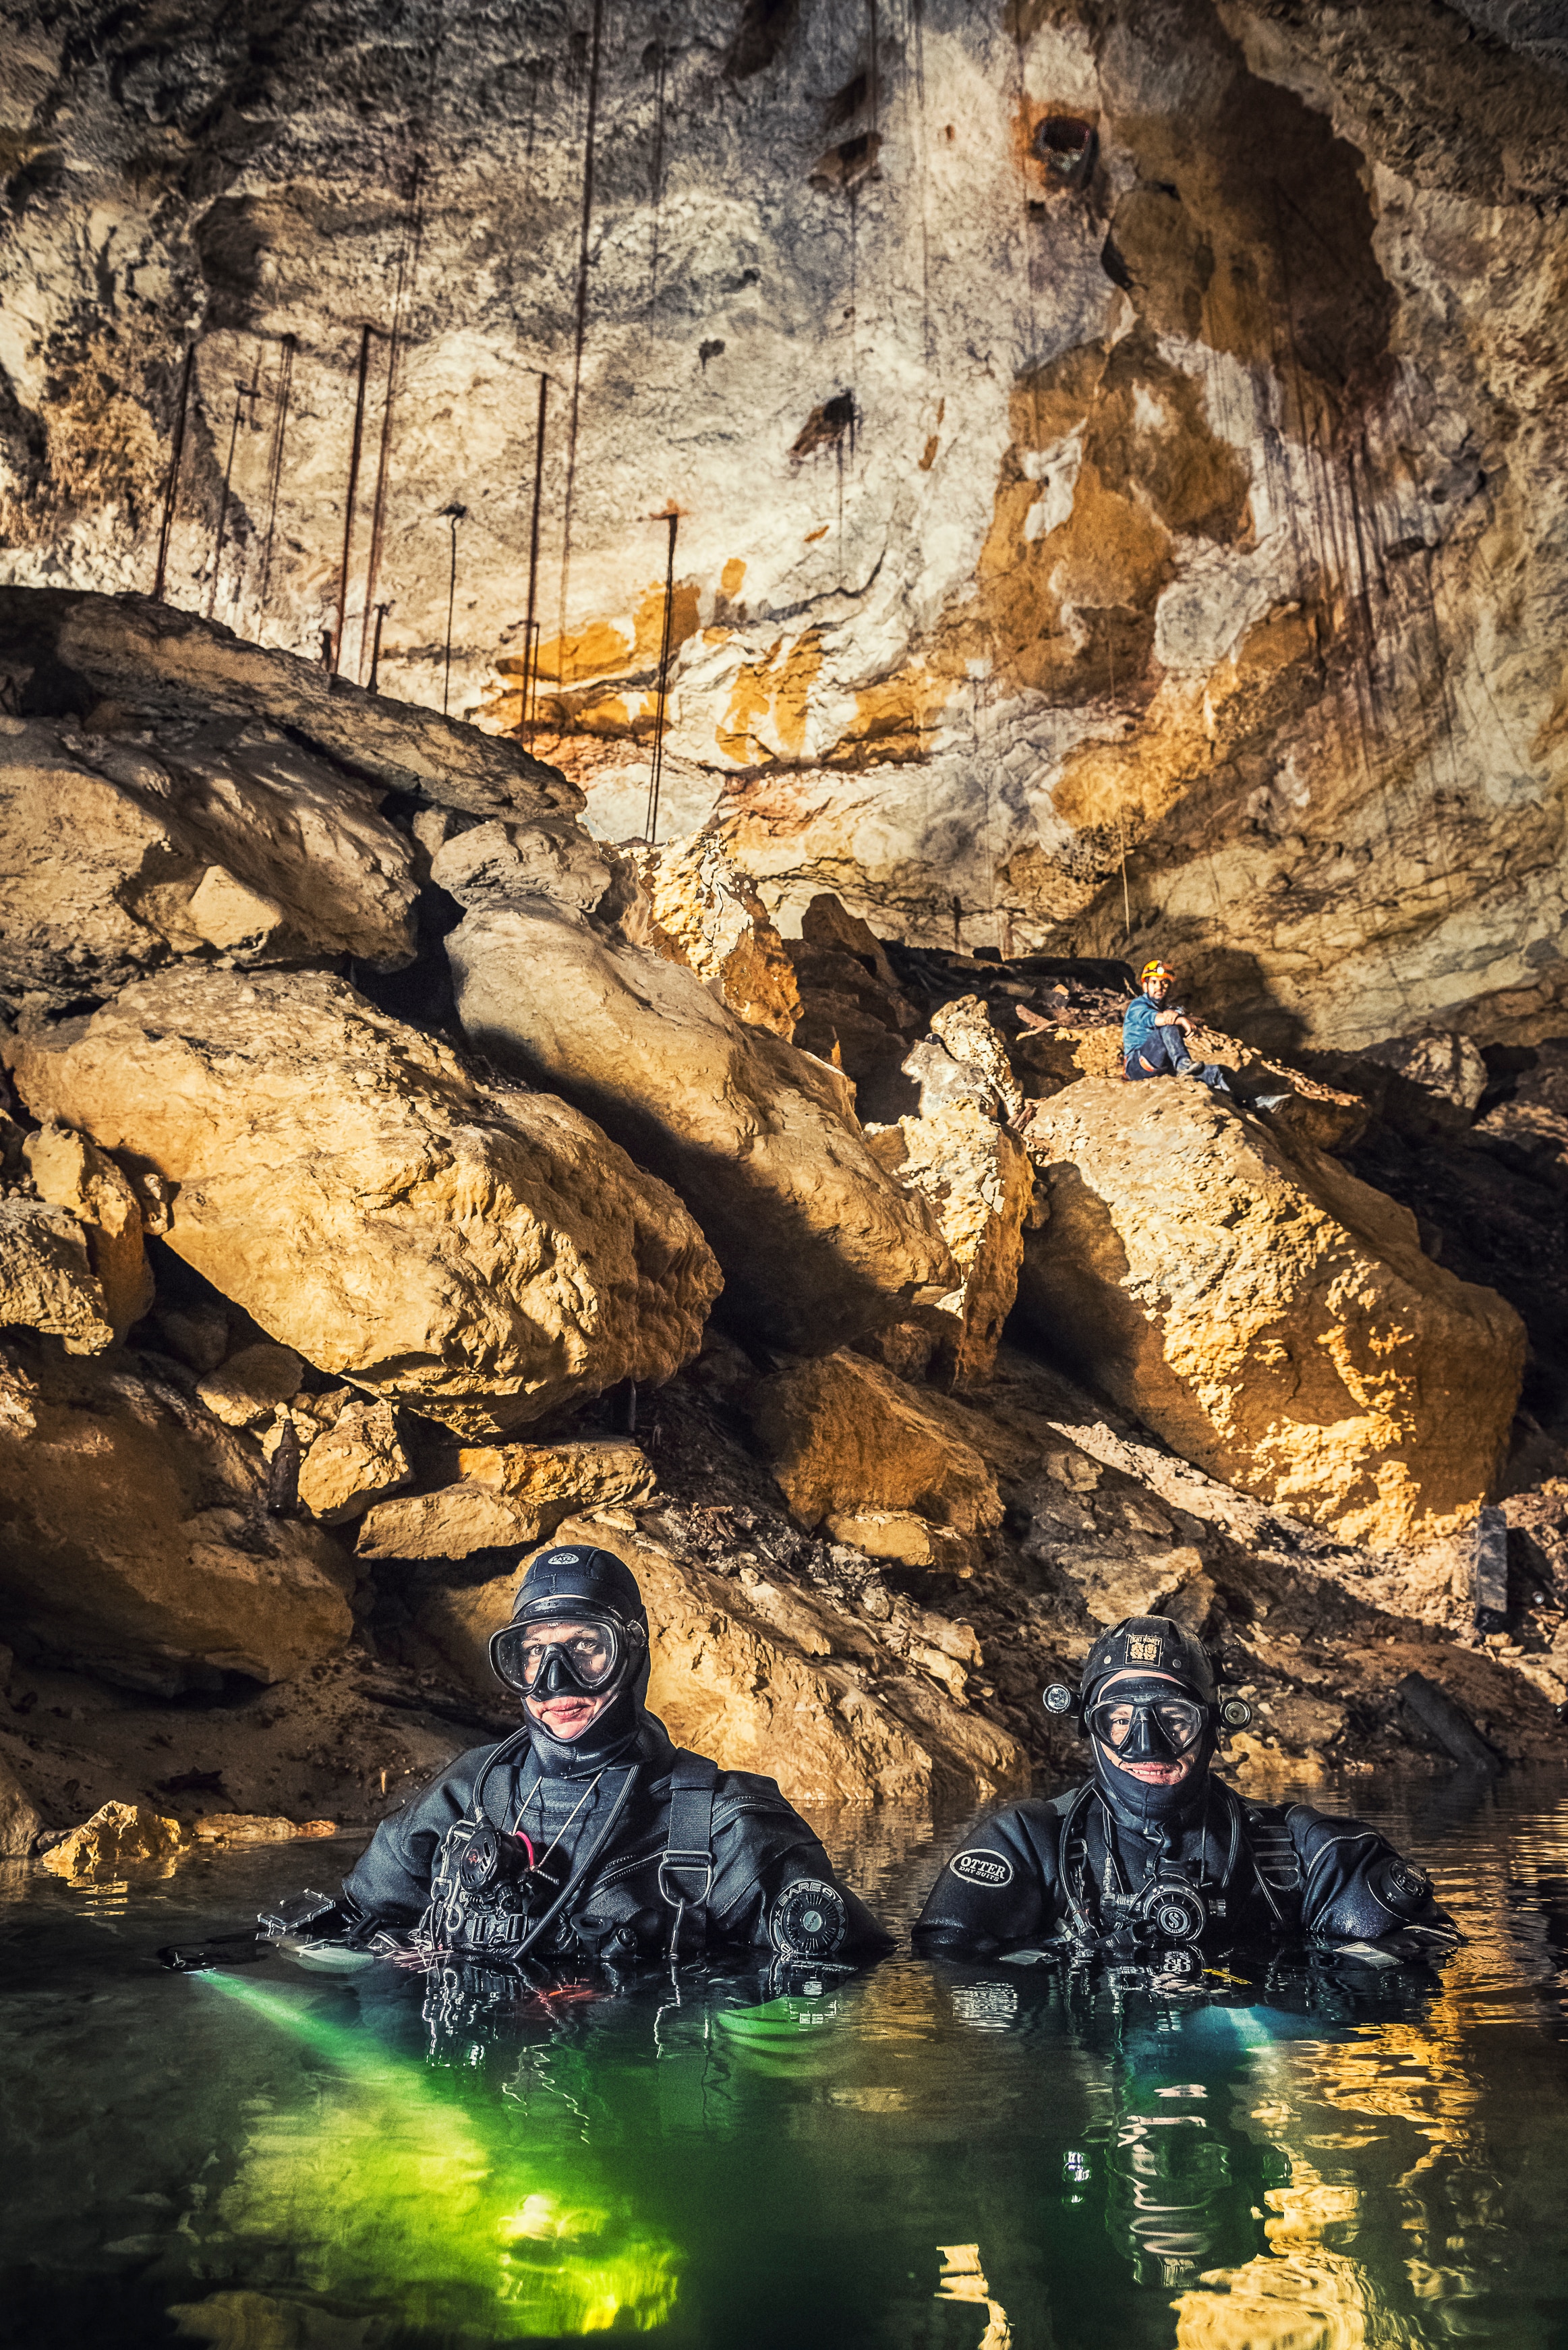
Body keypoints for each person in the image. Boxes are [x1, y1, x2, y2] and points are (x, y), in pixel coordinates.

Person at [329, 1541, 892, 1972]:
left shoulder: (730, 1824)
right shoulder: (468, 1790)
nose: (554, 1682)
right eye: (532, 1654)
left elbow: (834, 1979)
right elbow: (346, 1931)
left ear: (631, 1653)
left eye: (585, 1648)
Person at [913, 1614, 1460, 1964]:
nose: (1147, 1746)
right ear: (1088, 1728)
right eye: (1119, 1720)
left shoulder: (1303, 1852)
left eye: (1173, 1718)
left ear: (1213, 1726)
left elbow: (1431, 1949)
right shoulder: (1026, 1843)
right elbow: (943, 1982)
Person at [1122, 958, 1289, 1109]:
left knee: (1219, 1071)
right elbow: (1159, 1020)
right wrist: (1180, 1020)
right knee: (1169, 1025)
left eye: (1164, 983)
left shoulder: (1167, 1009)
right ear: (1145, 986)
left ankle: (1256, 1101)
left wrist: (1186, 1018)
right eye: (1154, 982)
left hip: (1162, 1067)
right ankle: (1183, 1066)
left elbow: (1175, 1015)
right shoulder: (1138, 1006)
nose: (1159, 987)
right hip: (1138, 1065)